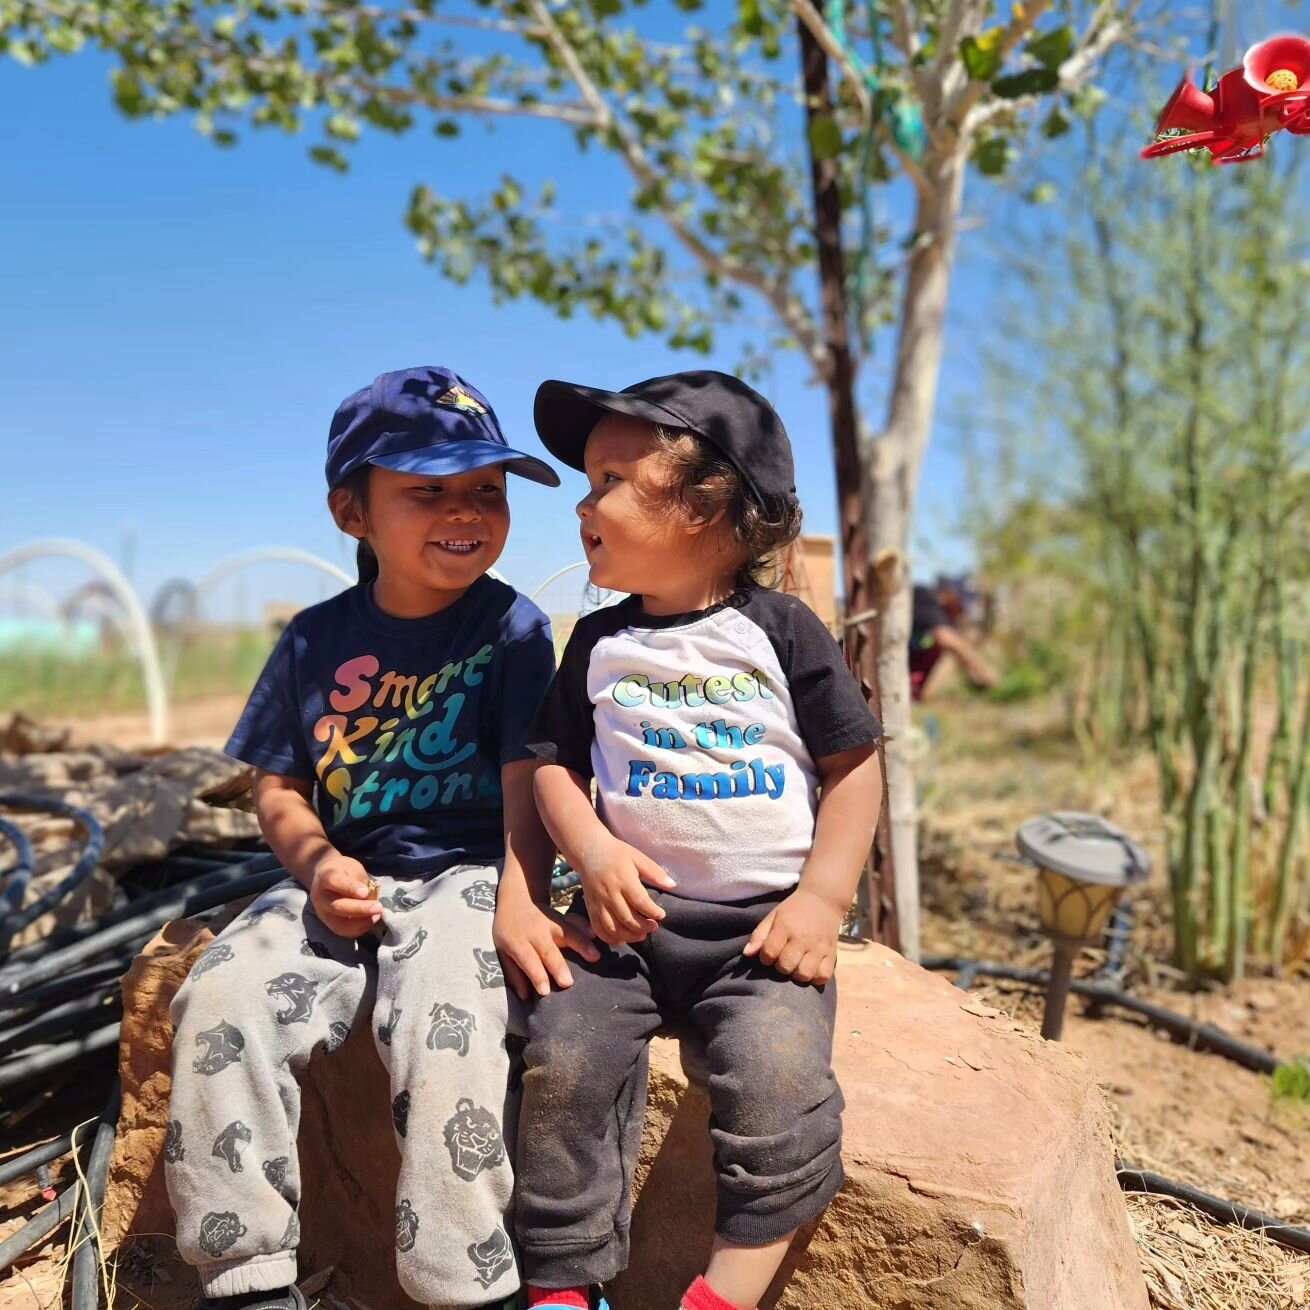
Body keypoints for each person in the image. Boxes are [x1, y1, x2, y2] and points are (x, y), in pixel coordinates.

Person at [165, 366, 597, 1310]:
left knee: (453, 1018)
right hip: (343, 874)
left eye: (485, 488)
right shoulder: (313, 642)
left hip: (472, 871)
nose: (465, 511)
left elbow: (533, 771)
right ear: (351, 513)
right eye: (427, 490)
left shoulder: (512, 628)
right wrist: (318, 867)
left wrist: (526, 897)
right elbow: (275, 784)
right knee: (220, 997)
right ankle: (248, 1282)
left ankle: (463, 1284)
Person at [502, 371, 883, 1310]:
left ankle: (723, 1293)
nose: (584, 505)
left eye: (609, 482)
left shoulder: (782, 631)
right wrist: (588, 853)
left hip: (757, 941)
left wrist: (821, 902)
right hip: (622, 934)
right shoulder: (596, 641)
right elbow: (553, 766)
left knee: (776, 1075)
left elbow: (855, 768)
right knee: (559, 1060)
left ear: (709, 507)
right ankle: (560, 1282)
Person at [909, 576, 998, 702]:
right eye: (959, 606)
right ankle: (925, 697)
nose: (959, 613)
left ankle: (920, 695)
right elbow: (947, 639)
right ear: (948, 596)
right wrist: (985, 672)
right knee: (952, 646)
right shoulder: (924, 596)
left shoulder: (935, 619)